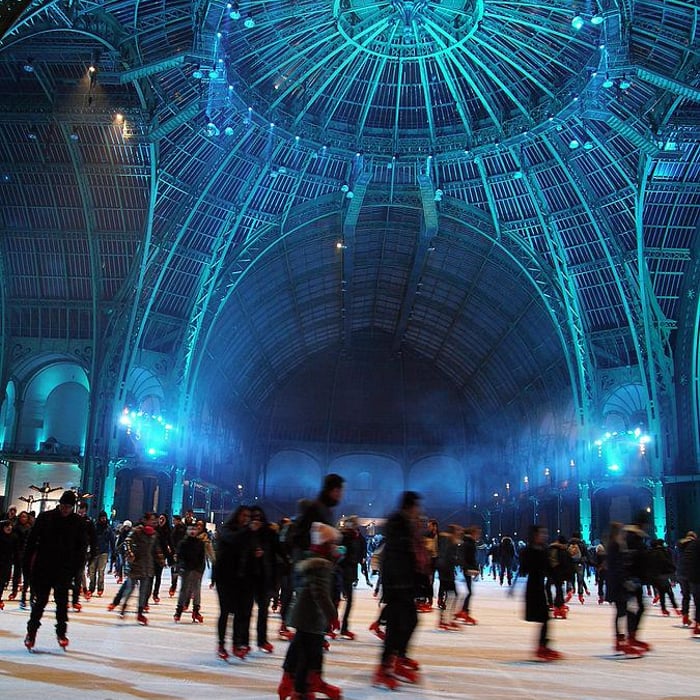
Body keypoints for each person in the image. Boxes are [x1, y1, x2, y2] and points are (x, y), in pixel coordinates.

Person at [278, 521, 342, 700]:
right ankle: (301, 689)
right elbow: (320, 593)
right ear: (325, 544)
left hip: (308, 616)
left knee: (302, 648)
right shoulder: (320, 565)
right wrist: (333, 616)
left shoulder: (317, 562)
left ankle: (294, 682)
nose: (335, 547)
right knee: (308, 653)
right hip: (311, 617)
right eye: (332, 544)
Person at [373, 491, 428, 689]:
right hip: (398, 584)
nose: (418, 511)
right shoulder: (399, 524)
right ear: (410, 506)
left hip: (403, 582)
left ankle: (395, 660)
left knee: (405, 622)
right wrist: (401, 582)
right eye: (417, 506)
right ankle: (385, 667)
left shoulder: (405, 524)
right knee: (399, 625)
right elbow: (397, 557)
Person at [23, 490, 87, 650]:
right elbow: (31, 542)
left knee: (62, 604)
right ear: (60, 504)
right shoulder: (46, 518)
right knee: (40, 603)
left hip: (64, 570)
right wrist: (27, 566)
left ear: (73, 507)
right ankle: (31, 633)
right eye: (64, 506)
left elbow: (81, 548)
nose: (65, 510)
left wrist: (75, 569)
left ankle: (61, 633)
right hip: (43, 568)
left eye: (69, 507)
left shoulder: (78, 522)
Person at [519, 524, 562, 661]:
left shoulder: (542, 549)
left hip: (539, 587)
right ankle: (542, 646)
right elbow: (524, 569)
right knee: (544, 618)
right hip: (533, 588)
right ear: (535, 535)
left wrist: (557, 577)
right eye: (542, 533)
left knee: (544, 618)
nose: (545, 536)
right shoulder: (530, 550)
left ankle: (542, 646)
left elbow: (548, 568)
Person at [456, 524, 481, 625]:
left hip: (468, 568)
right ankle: (464, 611)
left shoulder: (469, 542)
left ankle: (464, 610)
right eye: (478, 533)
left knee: (469, 591)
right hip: (468, 569)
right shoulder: (469, 543)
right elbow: (468, 558)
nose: (479, 536)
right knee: (469, 592)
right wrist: (471, 568)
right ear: (473, 533)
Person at [88, 511, 115, 597]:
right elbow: (90, 538)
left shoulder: (108, 528)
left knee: (101, 571)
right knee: (92, 571)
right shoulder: (95, 527)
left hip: (104, 552)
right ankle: (91, 588)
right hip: (94, 551)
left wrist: (113, 552)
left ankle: (100, 588)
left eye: (104, 518)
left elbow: (112, 540)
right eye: (102, 518)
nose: (103, 519)